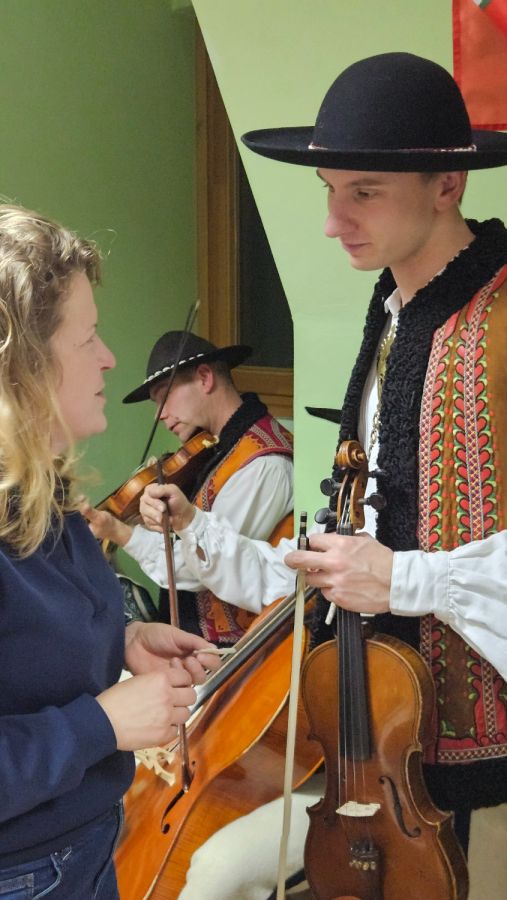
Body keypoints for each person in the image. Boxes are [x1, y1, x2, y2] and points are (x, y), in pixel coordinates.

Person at [138, 52, 507, 898]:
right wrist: (209, 549)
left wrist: (406, 578)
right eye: (328, 191)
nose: (334, 222)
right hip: (379, 753)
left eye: (363, 192)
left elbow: (395, 571)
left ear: (447, 185)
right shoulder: (392, 320)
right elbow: (352, 559)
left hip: (488, 778)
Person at [0, 205, 219, 900]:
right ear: (21, 366)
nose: (109, 358)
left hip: (82, 844)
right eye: (86, 337)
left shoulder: (42, 487)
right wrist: (100, 724)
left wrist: (118, 640)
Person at [84, 330, 293, 645]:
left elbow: (203, 569)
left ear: (205, 378)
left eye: (163, 397)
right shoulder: (216, 447)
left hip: (231, 651)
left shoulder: (262, 464)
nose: (159, 414)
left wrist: (122, 532)